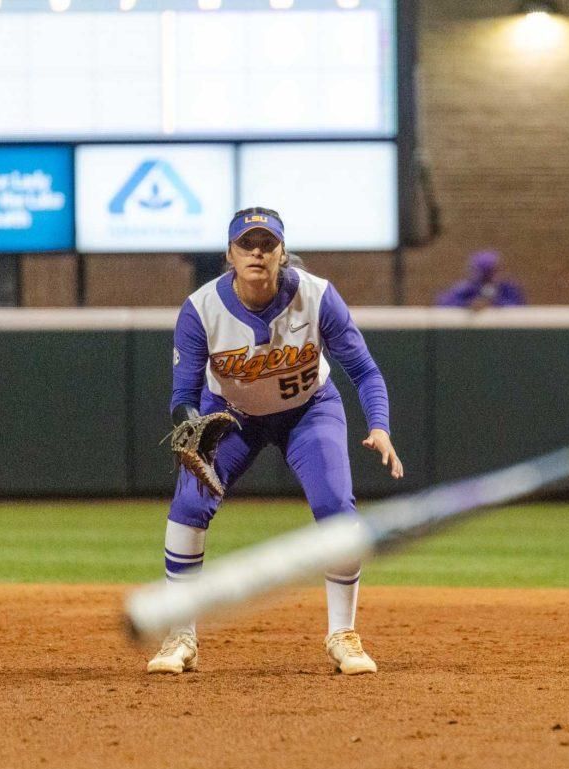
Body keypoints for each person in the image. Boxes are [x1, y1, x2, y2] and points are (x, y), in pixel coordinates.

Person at [148, 206, 404, 677]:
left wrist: (379, 425)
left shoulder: (318, 296)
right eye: (247, 244)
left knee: (336, 508)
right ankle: (180, 635)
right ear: (230, 254)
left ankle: (343, 634)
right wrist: (191, 423)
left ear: (283, 253)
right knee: (188, 507)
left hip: (309, 410)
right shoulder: (201, 309)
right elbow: (183, 395)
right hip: (232, 417)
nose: (257, 252)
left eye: (268, 244)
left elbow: (365, 371)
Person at [436, 249, 526, 309]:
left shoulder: (507, 288)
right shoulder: (467, 287)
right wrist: (469, 304)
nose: (489, 277)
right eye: (485, 273)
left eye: (492, 272)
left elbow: (518, 306)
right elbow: (443, 302)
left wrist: (494, 303)